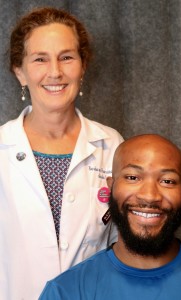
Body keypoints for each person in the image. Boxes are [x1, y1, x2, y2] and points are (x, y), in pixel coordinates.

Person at [0, 7, 123, 300]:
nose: (55, 71)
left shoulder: (112, 145)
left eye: (66, 57)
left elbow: (124, 246)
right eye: (40, 59)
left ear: (82, 66)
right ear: (20, 71)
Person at [39, 134, 181, 299]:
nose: (150, 196)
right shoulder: (65, 292)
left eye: (167, 181)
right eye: (132, 178)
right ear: (111, 187)